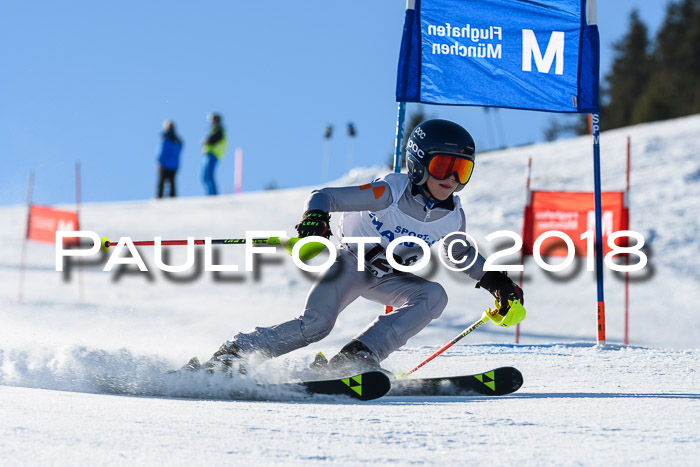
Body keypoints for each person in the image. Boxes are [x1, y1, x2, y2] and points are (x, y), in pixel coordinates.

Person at [197, 119, 525, 375]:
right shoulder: (389, 193)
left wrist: (498, 282)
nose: (452, 178)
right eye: (443, 167)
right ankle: (236, 353)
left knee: (434, 295)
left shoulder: (452, 217)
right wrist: (315, 218)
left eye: (462, 170)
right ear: (419, 164)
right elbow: (326, 196)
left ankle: (357, 357)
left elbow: (462, 254)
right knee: (316, 326)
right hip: (350, 264)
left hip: (388, 277)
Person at [201, 113, 227, 195]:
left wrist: (207, 140)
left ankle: (212, 194)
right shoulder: (216, 129)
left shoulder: (219, 129)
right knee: (206, 176)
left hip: (212, 154)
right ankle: (210, 194)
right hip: (211, 154)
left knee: (208, 176)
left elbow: (214, 139)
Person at [156, 120, 183, 198]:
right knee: (172, 181)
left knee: (162, 181)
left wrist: (160, 161)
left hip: (165, 163)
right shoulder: (178, 140)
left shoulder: (166, 138)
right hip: (175, 164)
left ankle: (159, 196)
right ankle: (172, 196)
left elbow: (162, 150)